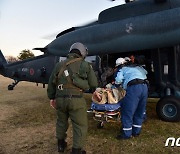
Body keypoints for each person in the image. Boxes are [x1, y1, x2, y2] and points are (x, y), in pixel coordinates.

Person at [47, 42, 98, 153]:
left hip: (60, 99)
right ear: (83, 52)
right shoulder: (85, 65)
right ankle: (76, 150)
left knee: (61, 122)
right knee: (80, 125)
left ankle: (61, 145)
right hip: (76, 100)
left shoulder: (59, 65)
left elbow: (51, 83)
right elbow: (93, 83)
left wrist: (52, 98)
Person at [115, 57, 148, 139]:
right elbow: (145, 72)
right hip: (144, 87)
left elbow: (118, 80)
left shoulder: (122, 69)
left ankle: (126, 134)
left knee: (127, 111)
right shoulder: (137, 67)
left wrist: (116, 85)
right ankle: (136, 132)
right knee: (139, 110)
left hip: (134, 88)